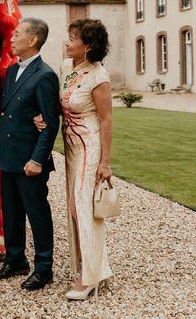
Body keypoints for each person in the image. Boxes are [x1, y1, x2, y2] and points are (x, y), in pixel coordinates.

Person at [0, 18, 60, 291]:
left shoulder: (45, 75)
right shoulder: (10, 72)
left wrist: (37, 160)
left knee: (37, 213)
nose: (12, 37)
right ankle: (16, 259)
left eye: (17, 34)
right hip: (8, 154)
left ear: (32, 40)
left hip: (30, 159)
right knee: (12, 212)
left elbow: (50, 124)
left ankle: (44, 268)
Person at [58, 18, 113, 300]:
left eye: (73, 38)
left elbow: (106, 120)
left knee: (82, 208)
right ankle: (89, 266)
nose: (67, 42)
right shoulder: (67, 68)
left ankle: (88, 277)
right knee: (72, 208)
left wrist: (105, 163)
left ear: (88, 46)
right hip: (70, 147)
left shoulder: (98, 76)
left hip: (89, 146)